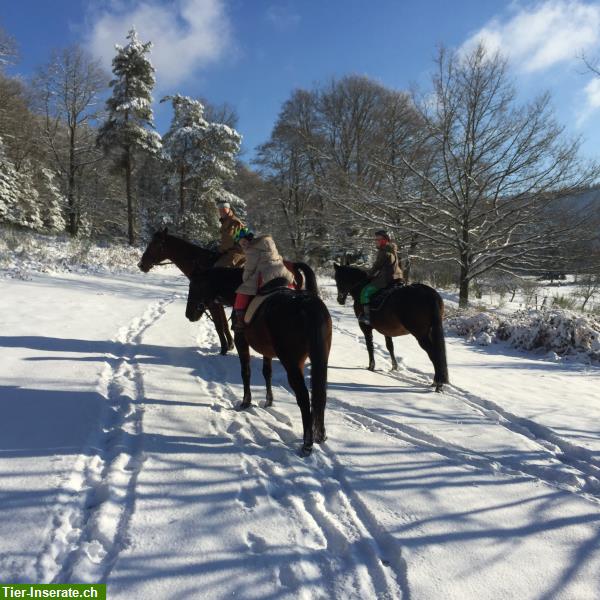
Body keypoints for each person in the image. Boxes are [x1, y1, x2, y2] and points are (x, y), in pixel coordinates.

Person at [232, 227, 294, 331]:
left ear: (249, 239)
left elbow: (249, 268)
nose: (243, 244)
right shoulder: (268, 243)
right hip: (282, 273)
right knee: (293, 285)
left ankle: (240, 320)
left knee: (242, 292)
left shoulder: (251, 249)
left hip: (266, 277)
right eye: (241, 243)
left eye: (243, 241)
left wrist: (245, 278)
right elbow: (279, 257)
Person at [359, 229, 403, 325]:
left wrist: (368, 275)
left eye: (378, 239)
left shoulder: (384, 251)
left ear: (385, 240)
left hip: (386, 279)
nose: (376, 241)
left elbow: (376, 266)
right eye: (376, 239)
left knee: (365, 292)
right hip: (397, 277)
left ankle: (367, 317)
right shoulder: (392, 249)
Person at [213, 199, 246, 267]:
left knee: (218, 267)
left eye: (224, 209)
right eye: (220, 210)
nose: (221, 211)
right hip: (234, 250)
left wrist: (219, 249)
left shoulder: (233, 222)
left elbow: (228, 242)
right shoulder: (226, 221)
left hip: (238, 252)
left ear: (228, 209)